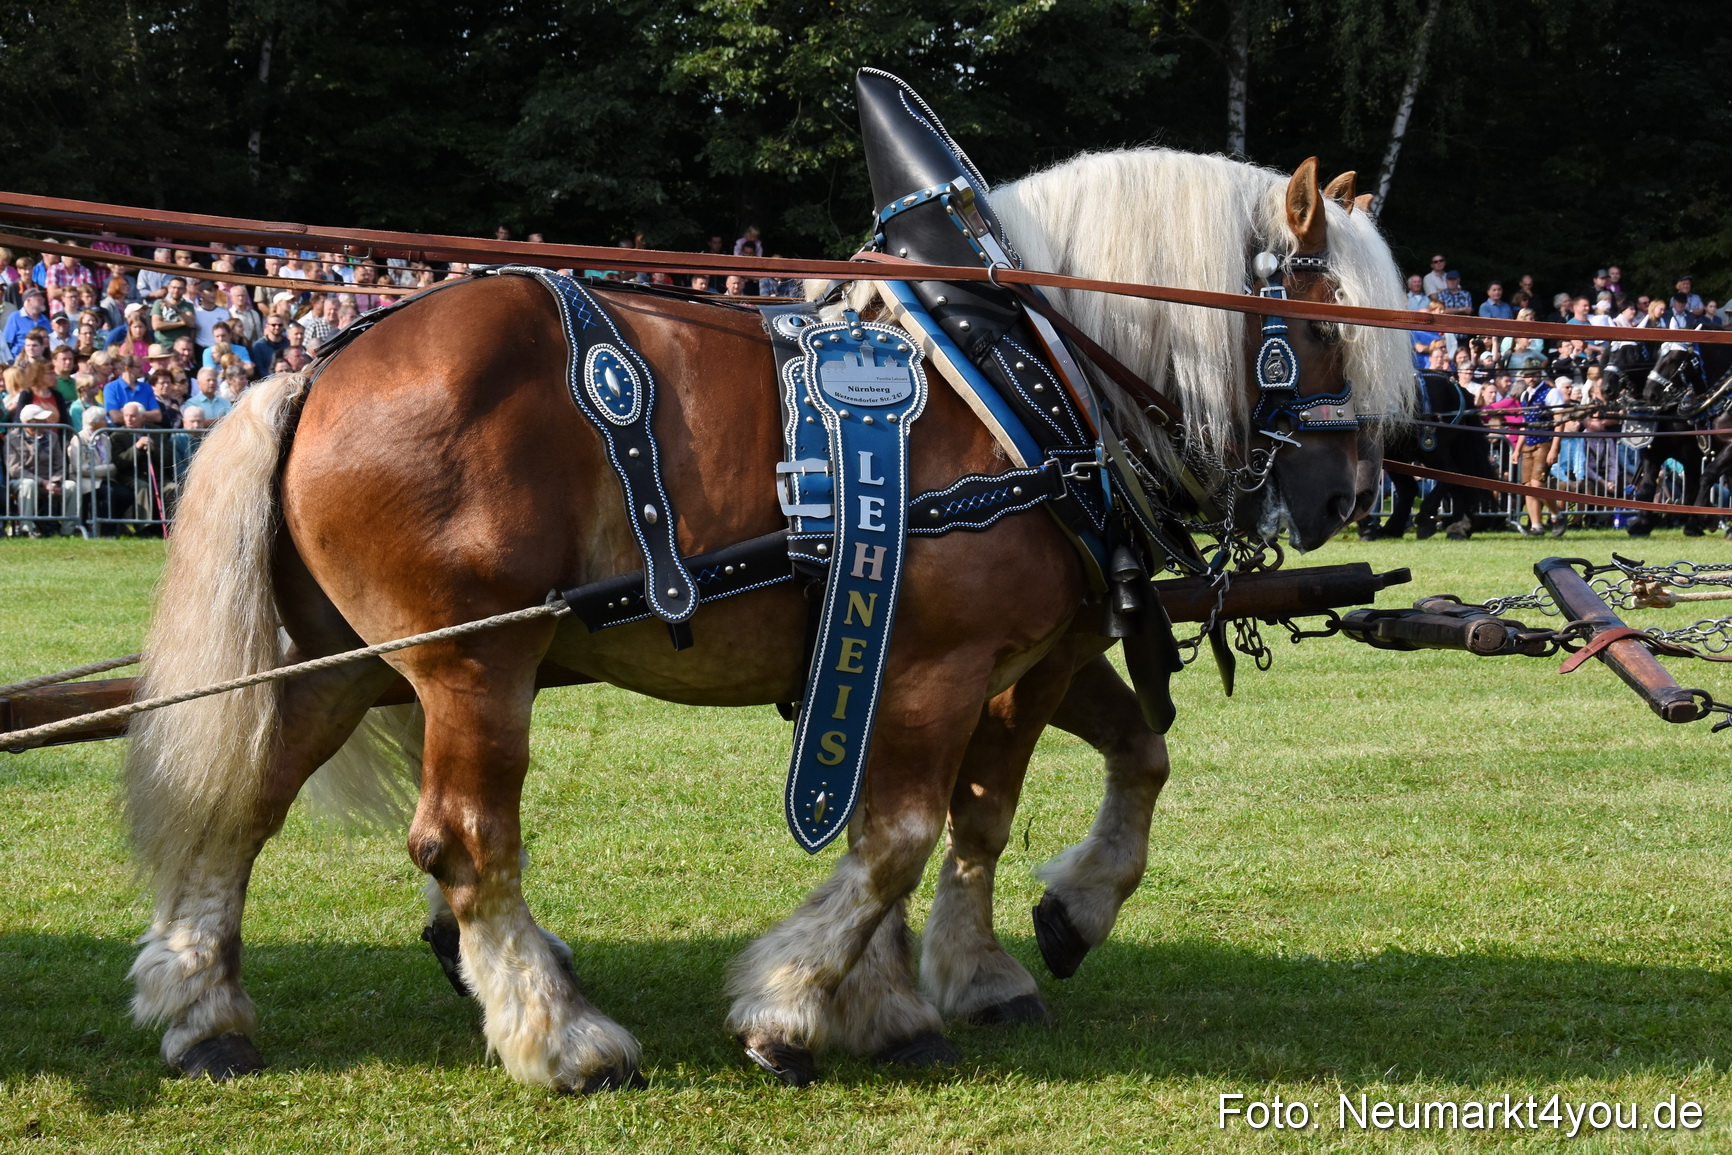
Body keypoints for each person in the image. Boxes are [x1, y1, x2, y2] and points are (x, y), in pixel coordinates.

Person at [1516, 374, 1567, 536]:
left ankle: (1557, 515)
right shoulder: (1525, 394)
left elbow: (1559, 422)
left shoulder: (1552, 393)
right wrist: (1517, 449)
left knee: (1537, 484)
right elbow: (1525, 425)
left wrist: (1554, 448)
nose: (1530, 379)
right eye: (1526, 376)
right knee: (1527, 486)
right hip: (1529, 444)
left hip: (1545, 442)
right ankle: (1536, 526)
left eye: (1532, 375)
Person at [6, 402, 68, 535]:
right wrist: (43, 482)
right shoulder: (12, 438)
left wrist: (55, 482)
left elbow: (60, 464)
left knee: (71, 486)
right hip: (21, 481)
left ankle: (68, 530)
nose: (46, 422)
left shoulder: (53, 437)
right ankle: (27, 528)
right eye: (42, 419)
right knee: (29, 484)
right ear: (29, 422)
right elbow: (15, 469)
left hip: (50, 480)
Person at [68, 407, 123, 532]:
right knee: (108, 493)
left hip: (104, 478)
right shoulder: (79, 439)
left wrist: (107, 470)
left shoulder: (105, 438)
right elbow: (80, 468)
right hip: (86, 480)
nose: (107, 422)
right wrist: (108, 469)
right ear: (94, 422)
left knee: (125, 494)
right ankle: (105, 530)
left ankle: (116, 527)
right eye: (104, 419)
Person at [103, 352, 161, 426]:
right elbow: (116, 417)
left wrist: (128, 414)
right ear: (128, 368)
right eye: (139, 367)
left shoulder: (146, 387)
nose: (143, 369)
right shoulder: (111, 388)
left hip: (145, 433)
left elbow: (157, 416)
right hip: (121, 433)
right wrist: (142, 415)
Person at [4, 287, 51, 359]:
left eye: (43, 298)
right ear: (28, 301)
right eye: (39, 299)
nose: (43, 301)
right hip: (19, 360)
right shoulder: (15, 317)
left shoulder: (44, 319)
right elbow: (6, 343)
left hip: (42, 360)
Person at [150, 277, 196, 349]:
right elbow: (156, 325)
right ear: (169, 288)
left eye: (180, 288)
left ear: (184, 290)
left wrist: (175, 309)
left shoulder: (188, 305)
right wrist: (181, 323)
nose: (176, 291)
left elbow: (190, 323)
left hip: (182, 347)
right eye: (173, 287)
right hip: (163, 345)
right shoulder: (159, 303)